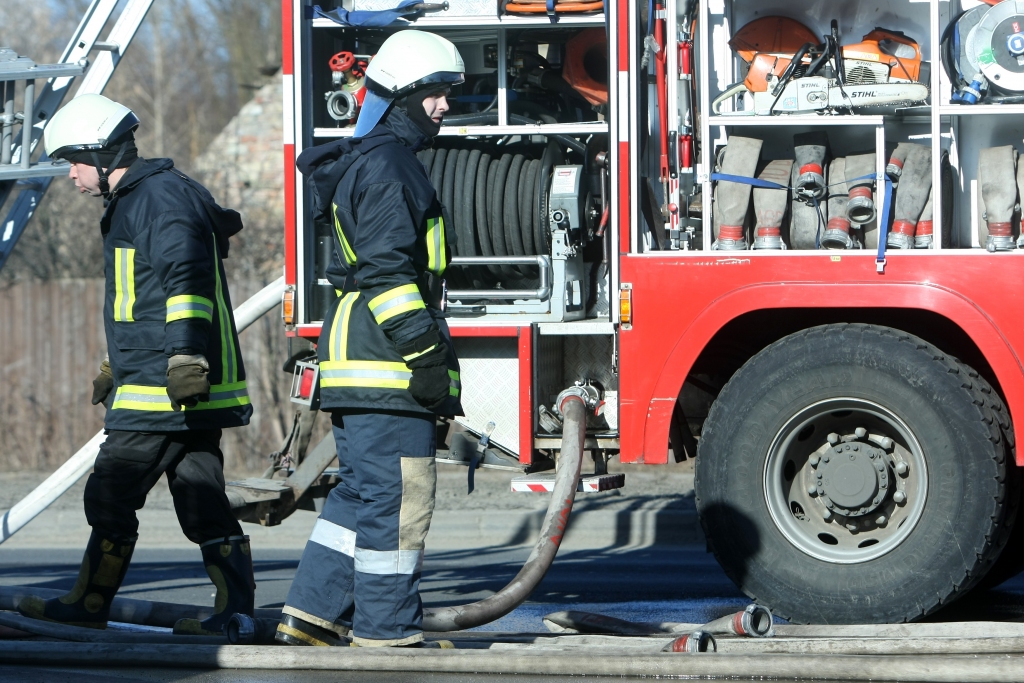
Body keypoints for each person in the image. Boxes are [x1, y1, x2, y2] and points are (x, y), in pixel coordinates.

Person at [18, 94, 255, 636]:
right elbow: (141, 299)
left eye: (74, 163)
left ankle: (90, 604)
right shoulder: (152, 197)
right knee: (200, 497)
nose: (73, 178)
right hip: (167, 378)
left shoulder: (156, 200)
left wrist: (185, 356)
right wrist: (114, 361)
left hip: (164, 387)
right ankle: (233, 612)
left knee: (109, 492)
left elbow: (185, 284)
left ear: (102, 155)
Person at [275, 30, 464, 648]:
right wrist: (427, 354)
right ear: (402, 95)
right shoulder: (390, 166)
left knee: (359, 493)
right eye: (432, 95)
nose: (442, 107)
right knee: (399, 498)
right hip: (387, 363)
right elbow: (389, 273)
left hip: (358, 359)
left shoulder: (373, 159)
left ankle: (312, 614)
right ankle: (386, 629)